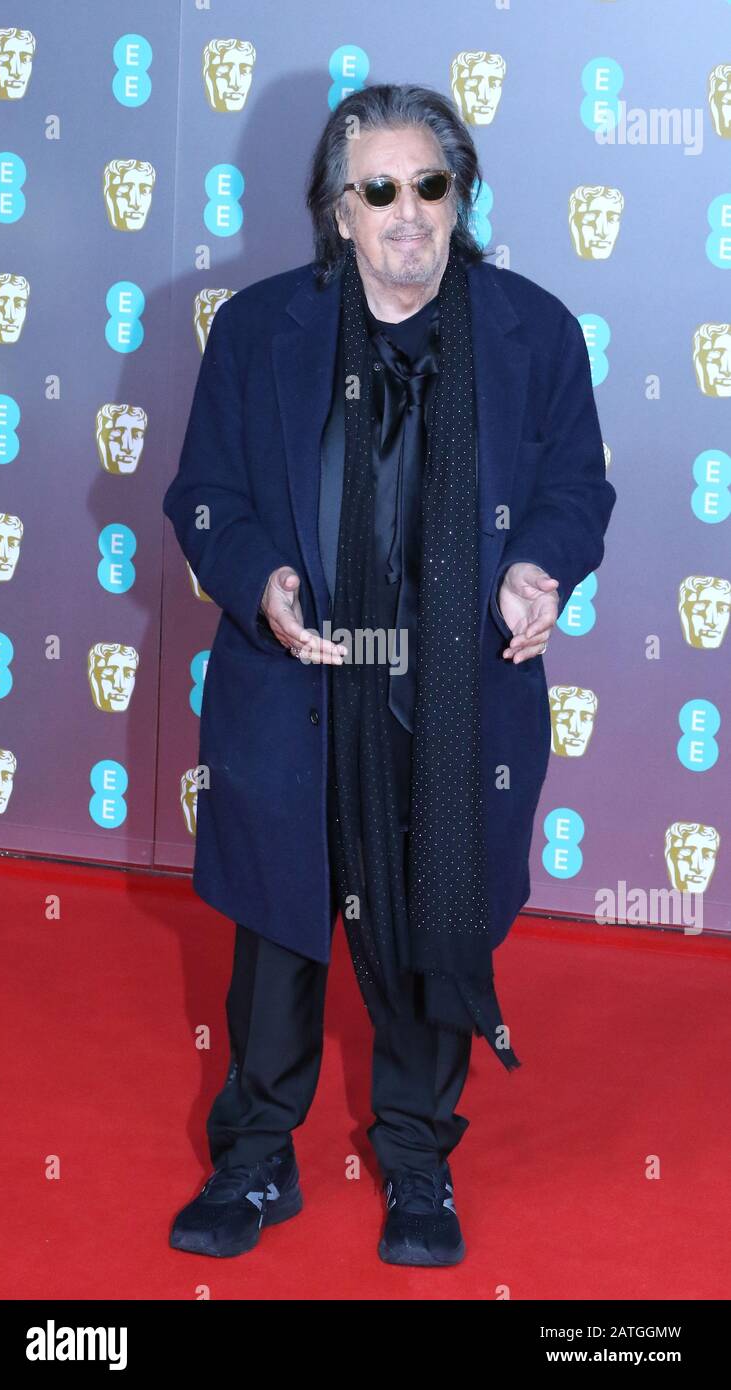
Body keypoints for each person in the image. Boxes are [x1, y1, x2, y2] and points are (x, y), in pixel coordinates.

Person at [162, 82, 616, 1267]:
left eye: (429, 185)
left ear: (457, 199)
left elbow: (578, 488)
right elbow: (203, 494)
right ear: (335, 210)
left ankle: (417, 1162)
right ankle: (257, 1160)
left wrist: (534, 569)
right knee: (277, 933)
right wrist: (259, 579)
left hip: (455, 691)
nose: (406, 211)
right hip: (296, 678)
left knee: (436, 918)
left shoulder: (534, 331)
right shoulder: (260, 330)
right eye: (378, 189)